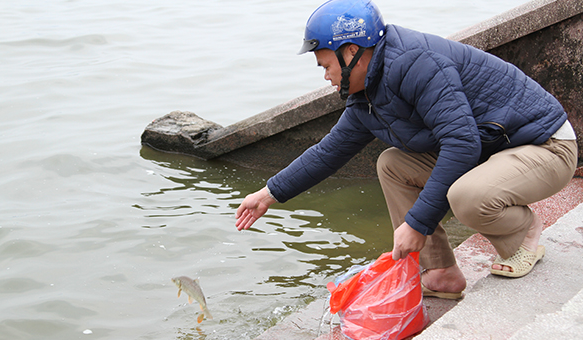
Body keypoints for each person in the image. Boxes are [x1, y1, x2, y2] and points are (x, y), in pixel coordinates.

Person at [235, 0, 578, 299]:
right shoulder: (368, 93)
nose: (325, 76)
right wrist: (268, 195)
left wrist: (416, 224)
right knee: (392, 163)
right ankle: (441, 272)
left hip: (545, 146)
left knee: (466, 197)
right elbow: (329, 152)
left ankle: (524, 232)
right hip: (495, 151)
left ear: (351, 51)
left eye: (326, 66)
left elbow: (461, 143)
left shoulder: (416, 64)